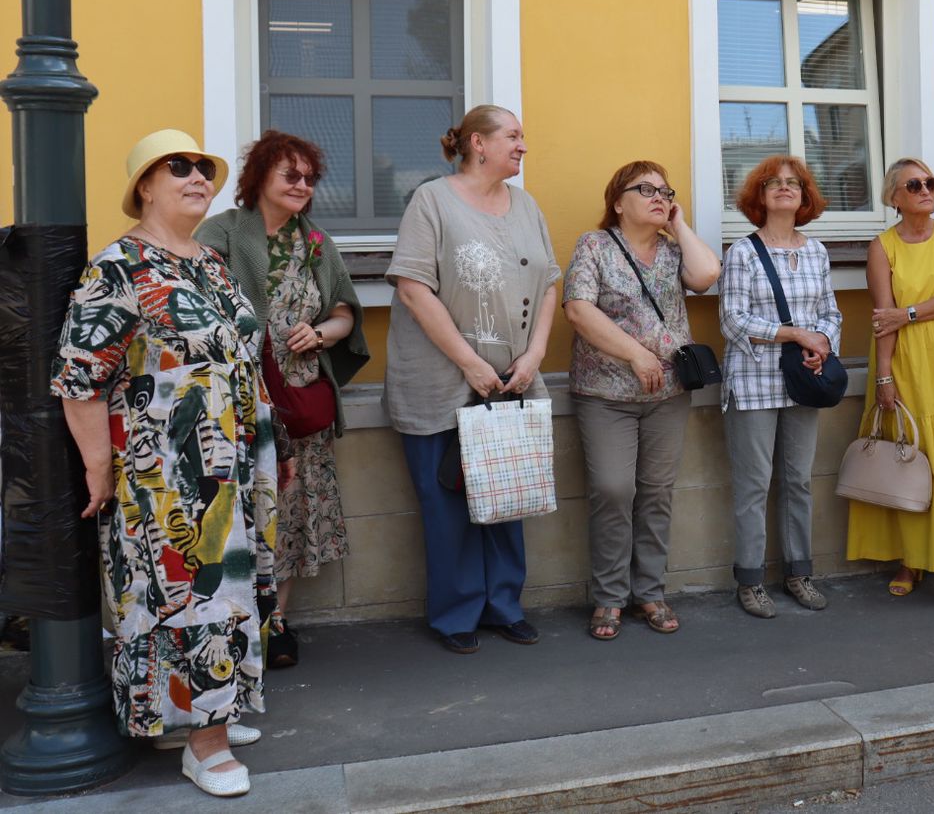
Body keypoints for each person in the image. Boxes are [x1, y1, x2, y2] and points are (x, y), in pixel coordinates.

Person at [53, 129, 275, 796]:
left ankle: (212, 707)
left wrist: (269, 450)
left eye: (203, 168)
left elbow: (239, 352)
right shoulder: (118, 267)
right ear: (144, 185)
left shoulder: (207, 260)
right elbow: (79, 376)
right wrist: (98, 463)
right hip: (165, 471)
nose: (196, 176)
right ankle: (203, 746)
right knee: (192, 593)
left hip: (233, 457)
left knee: (236, 590)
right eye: (177, 167)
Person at [384, 105, 559, 652]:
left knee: (509, 494)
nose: (523, 145)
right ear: (477, 143)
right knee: (449, 504)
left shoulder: (525, 204)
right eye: (513, 136)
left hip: (511, 379)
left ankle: (504, 605)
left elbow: (551, 282)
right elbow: (414, 288)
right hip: (442, 381)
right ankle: (456, 615)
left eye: (523, 136)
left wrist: (533, 356)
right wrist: (469, 362)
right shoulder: (432, 200)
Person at [198, 131, 369, 668]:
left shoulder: (315, 240)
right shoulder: (222, 231)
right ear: (259, 179)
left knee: (289, 515)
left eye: (309, 177)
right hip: (238, 398)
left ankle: (276, 623)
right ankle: (230, 623)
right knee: (238, 513)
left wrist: (320, 335)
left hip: (296, 401)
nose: (302, 185)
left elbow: (345, 313)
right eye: (289, 175)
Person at [564, 161, 720, 640]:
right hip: (605, 394)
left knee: (656, 492)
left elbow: (707, 275)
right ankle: (609, 597)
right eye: (645, 189)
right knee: (613, 490)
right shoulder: (595, 246)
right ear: (617, 201)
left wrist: (679, 222)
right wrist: (636, 354)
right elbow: (577, 308)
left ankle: (649, 591)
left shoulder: (674, 253)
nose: (658, 195)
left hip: (667, 395)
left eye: (665, 190)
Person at [848, 159, 934, 613]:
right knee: (907, 455)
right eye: (915, 184)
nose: (926, 190)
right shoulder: (882, 246)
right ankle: (911, 563)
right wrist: (884, 376)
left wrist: (908, 314)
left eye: (931, 182)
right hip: (902, 362)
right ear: (895, 197)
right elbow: (881, 316)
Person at [719, 155, 842, 619]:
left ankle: (799, 573)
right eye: (774, 183)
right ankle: (750, 580)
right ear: (759, 195)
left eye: (794, 183)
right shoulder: (743, 252)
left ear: (806, 196)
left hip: (804, 381)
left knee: (799, 481)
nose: (785, 188)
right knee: (753, 485)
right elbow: (732, 320)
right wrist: (795, 334)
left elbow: (831, 311)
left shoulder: (816, 252)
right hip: (753, 382)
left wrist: (823, 344)